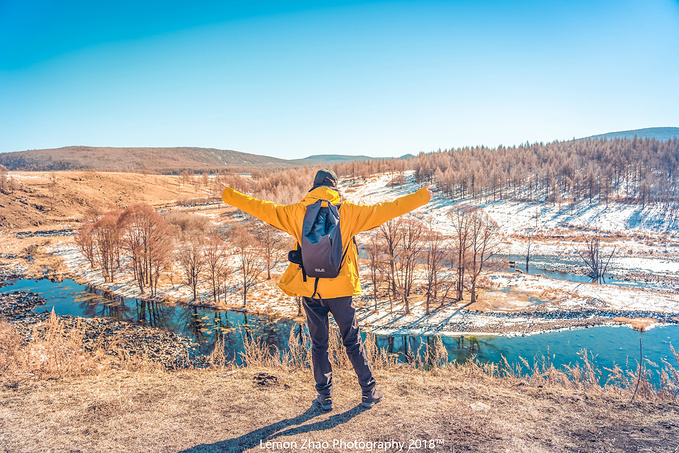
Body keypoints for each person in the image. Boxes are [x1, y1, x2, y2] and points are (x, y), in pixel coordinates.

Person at [220, 169, 431, 410]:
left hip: (311, 292)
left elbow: (261, 208)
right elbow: (388, 208)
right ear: (334, 189)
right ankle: (369, 392)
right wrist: (421, 196)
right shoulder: (349, 212)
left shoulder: (297, 213)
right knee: (352, 341)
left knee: (319, 344)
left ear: (313, 188)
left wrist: (230, 194)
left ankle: (325, 397)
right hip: (341, 292)